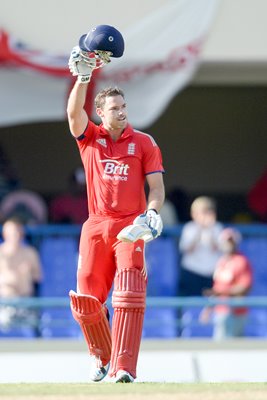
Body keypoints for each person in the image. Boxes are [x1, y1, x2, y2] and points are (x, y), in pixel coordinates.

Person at [67, 26, 165, 384]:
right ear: (101, 112)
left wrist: (152, 213)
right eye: (114, 108)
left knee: (129, 291)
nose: (122, 112)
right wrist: (84, 76)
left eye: (124, 107)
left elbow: (156, 186)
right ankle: (101, 358)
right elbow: (73, 113)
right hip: (95, 225)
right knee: (86, 302)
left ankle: (124, 368)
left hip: (130, 225)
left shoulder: (143, 142)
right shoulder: (89, 138)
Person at [200, 227, 253, 340]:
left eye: (231, 241)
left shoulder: (241, 261)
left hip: (236, 312)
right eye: (225, 241)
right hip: (221, 310)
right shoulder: (221, 262)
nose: (228, 244)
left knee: (231, 350)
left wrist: (221, 292)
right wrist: (208, 309)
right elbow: (217, 287)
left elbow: (245, 287)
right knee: (221, 349)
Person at [0, 218, 43, 332]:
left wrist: (24, 274)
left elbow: (38, 277)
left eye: (18, 232)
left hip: (27, 303)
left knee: (34, 325)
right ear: (5, 234)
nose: (15, 235)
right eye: (12, 233)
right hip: (4, 304)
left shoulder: (30, 253)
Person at [178, 196, 223, 296]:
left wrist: (210, 229)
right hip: (192, 272)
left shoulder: (217, 227)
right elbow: (187, 249)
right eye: (202, 213)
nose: (205, 216)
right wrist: (199, 230)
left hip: (212, 272)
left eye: (208, 212)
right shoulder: (189, 228)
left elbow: (218, 248)